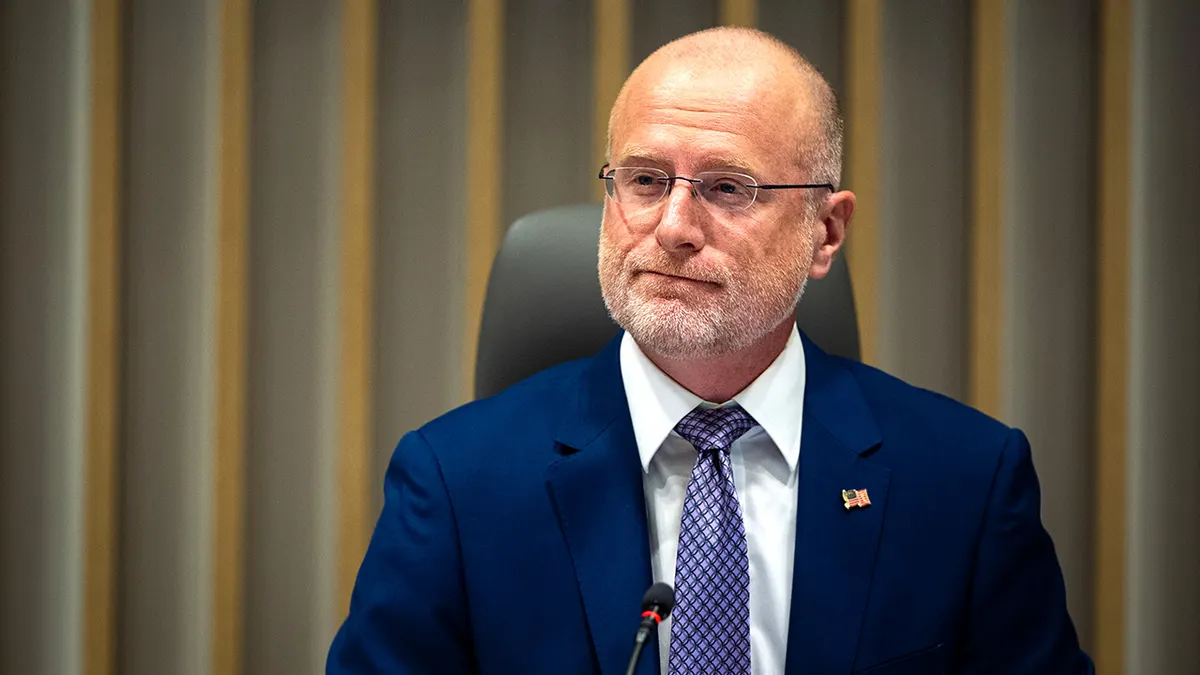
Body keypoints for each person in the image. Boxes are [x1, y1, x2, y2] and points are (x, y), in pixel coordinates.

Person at [327, 27, 1092, 674]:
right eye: (645, 180)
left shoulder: (965, 480)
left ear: (825, 232)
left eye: (728, 188)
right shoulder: (455, 483)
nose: (673, 227)